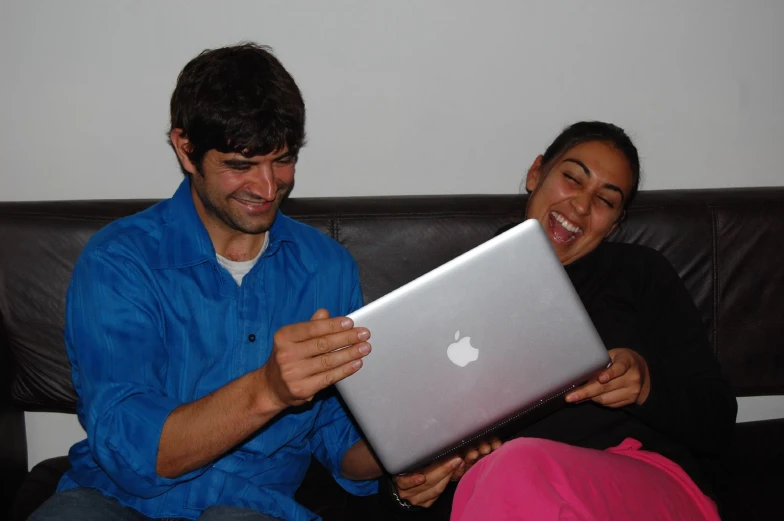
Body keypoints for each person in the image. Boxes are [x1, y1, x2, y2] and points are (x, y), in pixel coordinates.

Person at [28, 43, 490, 521]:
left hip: (251, 508)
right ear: (186, 150)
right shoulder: (119, 261)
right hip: (115, 500)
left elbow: (337, 435)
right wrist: (268, 389)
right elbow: (134, 453)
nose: (268, 188)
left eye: (283, 159)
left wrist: (408, 454)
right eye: (240, 165)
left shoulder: (326, 268)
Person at [449, 121, 737, 521]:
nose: (581, 206)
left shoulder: (641, 274)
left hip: (648, 483)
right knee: (493, 478)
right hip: (508, 494)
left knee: (513, 467)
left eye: (605, 200)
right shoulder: (457, 289)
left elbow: (718, 421)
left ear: (615, 224)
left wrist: (646, 385)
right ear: (536, 173)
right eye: (572, 178)